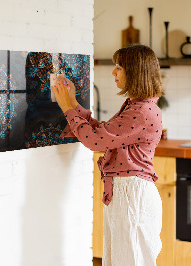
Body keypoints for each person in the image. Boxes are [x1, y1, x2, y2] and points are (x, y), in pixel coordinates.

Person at [52, 44, 164, 266]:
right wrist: (73, 103)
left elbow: (95, 141)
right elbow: (103, 133)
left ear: (135, 72)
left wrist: (67, 108)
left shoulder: (141, 111)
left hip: (132, 195)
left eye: (119, 67)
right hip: (127, 193)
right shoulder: (137, 106)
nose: (113, 72)